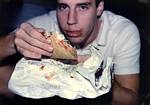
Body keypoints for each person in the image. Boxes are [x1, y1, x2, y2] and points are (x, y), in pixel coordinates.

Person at [0, 0, 140, 105]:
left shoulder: (121, 32)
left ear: (99, 8)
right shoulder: (44, 28)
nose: (71, 20)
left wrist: (93, 76)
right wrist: (11, 41)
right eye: (63, 7)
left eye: (82, 7)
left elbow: (131, 99)